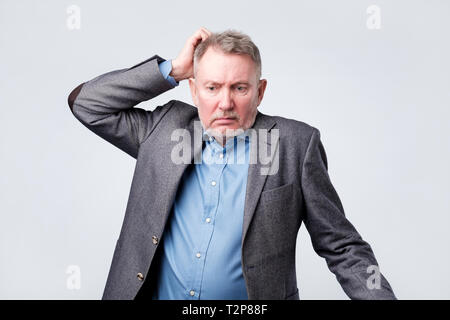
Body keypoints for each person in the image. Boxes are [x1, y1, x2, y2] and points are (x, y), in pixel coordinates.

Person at [68, 27, 397, 300]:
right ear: (194, 90)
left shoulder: (295, 145)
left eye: (239, 88)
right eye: (212, 87)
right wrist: (172, 69)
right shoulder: (163, 128)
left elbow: (340, 244)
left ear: (260, 92)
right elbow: (87, 105)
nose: (225, 103)